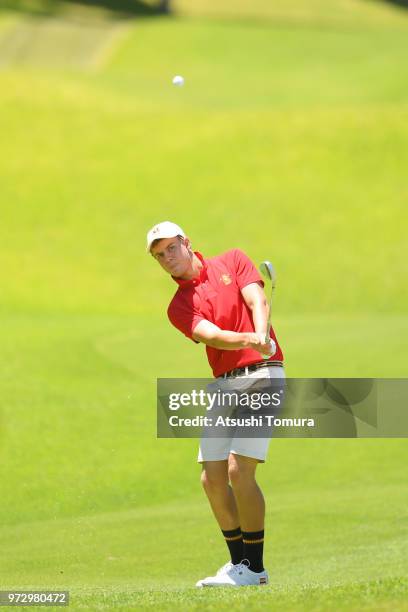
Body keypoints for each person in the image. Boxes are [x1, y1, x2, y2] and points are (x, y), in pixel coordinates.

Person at [147, 221, 285, 587]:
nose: (167, 258)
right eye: (159, 255)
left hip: (263, 374)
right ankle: (239, 564)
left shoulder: (233, 260)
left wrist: (260, 337)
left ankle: (255, 569)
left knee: (240, 471)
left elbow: (258, 298)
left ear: (187, 242)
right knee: (212, 478)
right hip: (224, 384)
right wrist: (248, 338)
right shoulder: (178, 306)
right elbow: (212, 335)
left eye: (171, 248)